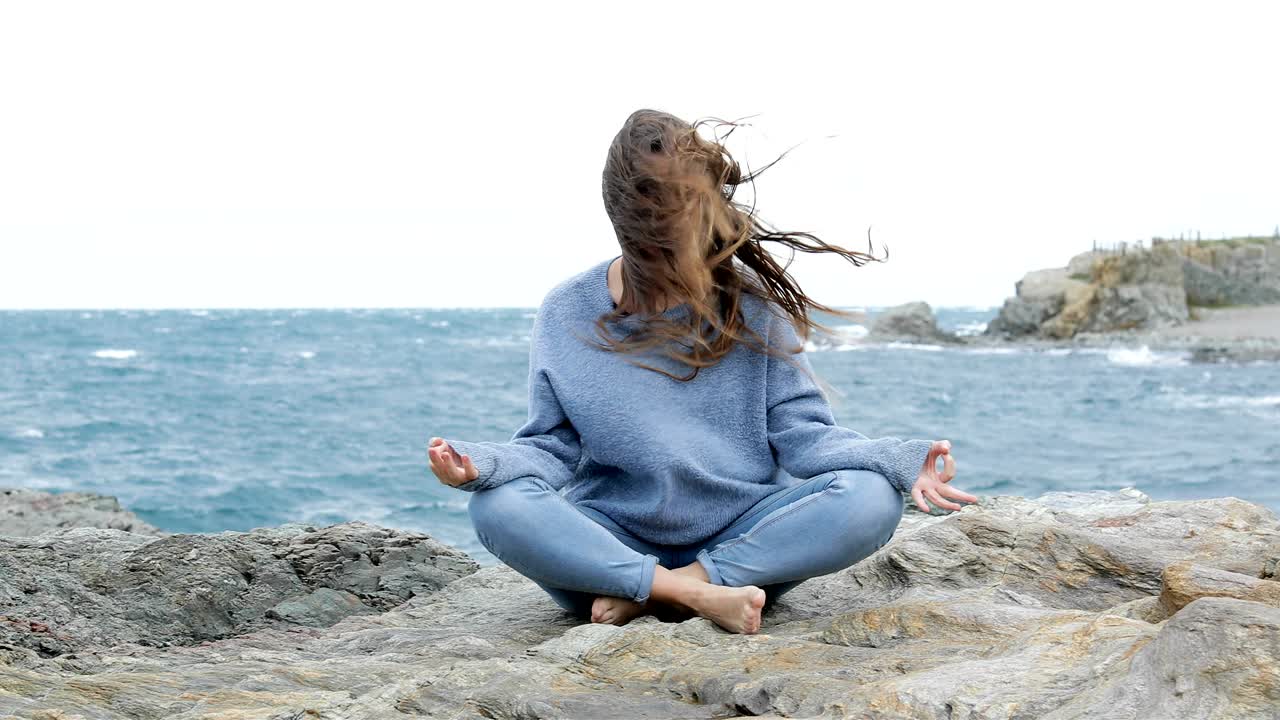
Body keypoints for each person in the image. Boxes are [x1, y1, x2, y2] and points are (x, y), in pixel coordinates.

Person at [427, 109, 978, 635]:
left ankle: (677, 588)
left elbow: (805, 436)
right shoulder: (567, 309)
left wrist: (898, 460)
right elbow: (550, 447)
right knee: (497, 505)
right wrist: (482, 466)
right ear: (625, 223)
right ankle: (681, 592)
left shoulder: (751, 303)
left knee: (873, 497)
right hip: (612, 546)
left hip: (740, 548)